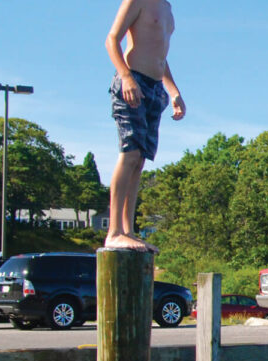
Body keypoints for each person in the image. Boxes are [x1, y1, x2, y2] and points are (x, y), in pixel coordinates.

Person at [104, 0, 185, 252]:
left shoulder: (167, 9)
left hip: (155, 87)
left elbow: (161, 56)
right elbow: (111, 39)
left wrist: (174, 91)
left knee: (140, 159)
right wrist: (126, 77)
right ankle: (114, 231)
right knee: (130, 153)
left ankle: (128, 230)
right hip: (133, 81)